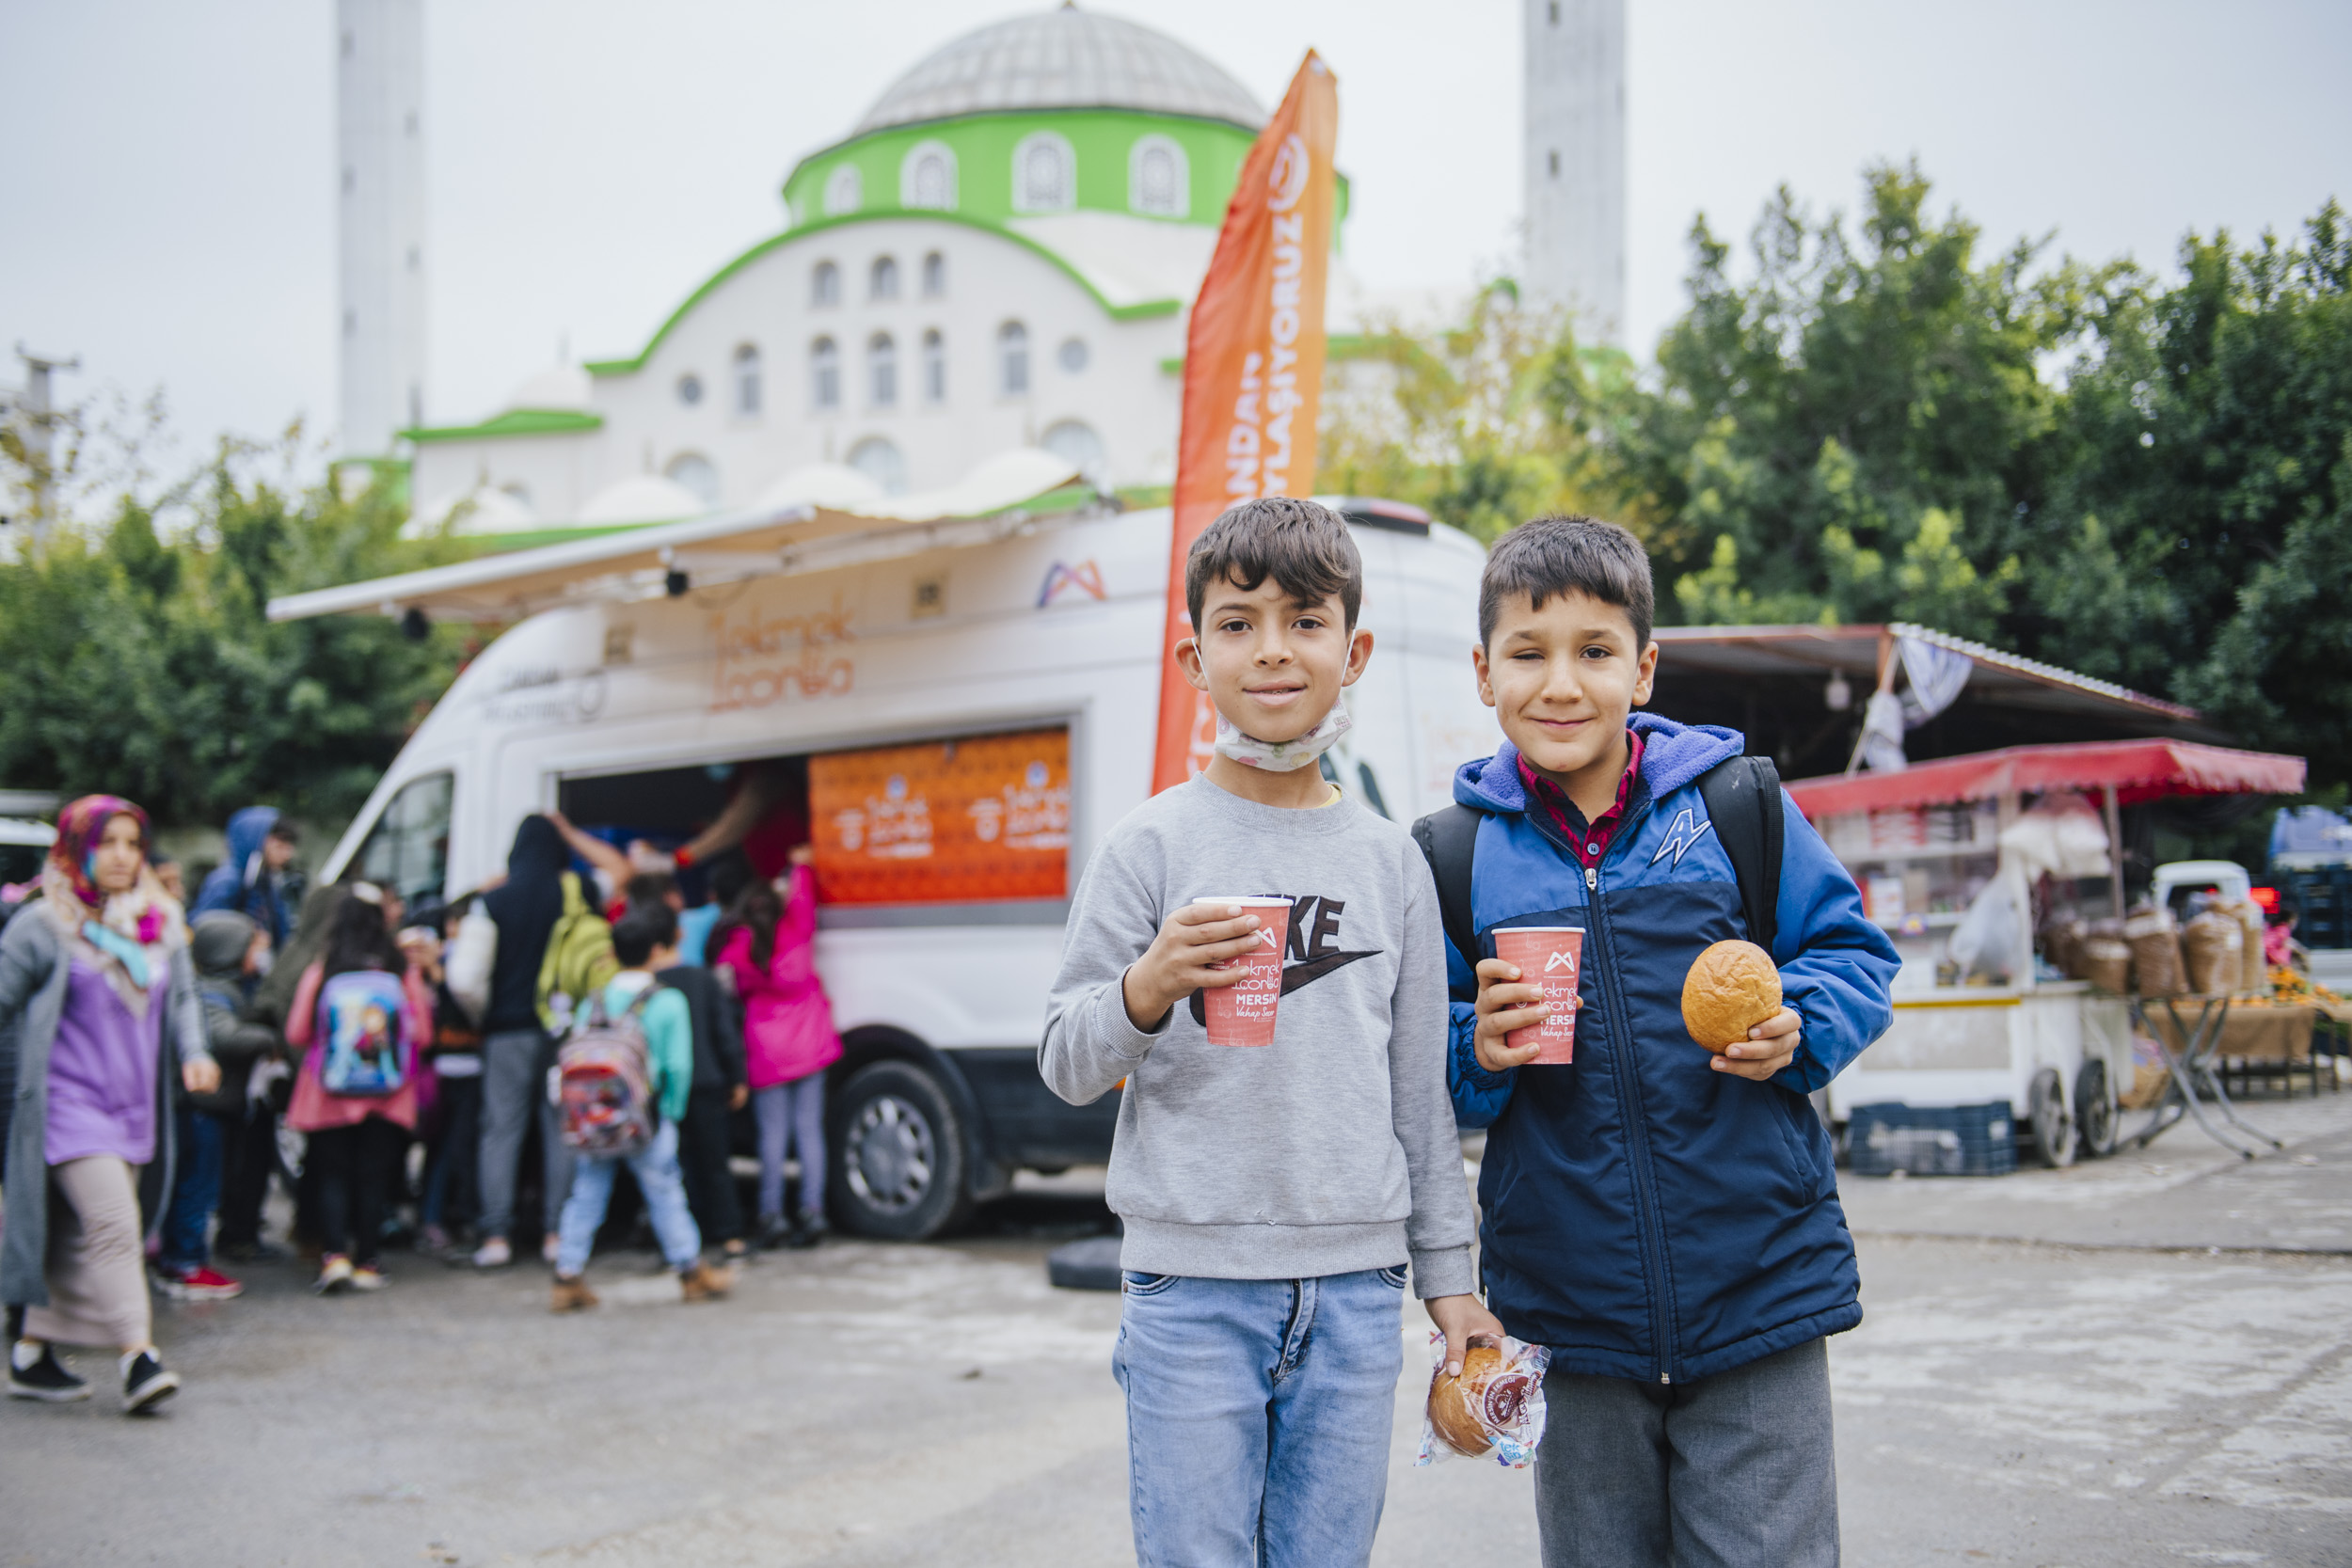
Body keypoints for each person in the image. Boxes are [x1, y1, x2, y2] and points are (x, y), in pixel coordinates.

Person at [1438, 516, 1899, 1568]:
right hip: (1567, 1304)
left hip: (1759, 1285)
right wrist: (1479, 1047)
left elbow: (1852, 954)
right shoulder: (1456, 855)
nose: (1562, 683)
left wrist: (1800, 1023)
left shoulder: (1735, 806)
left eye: (1595, 651)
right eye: (1528, 651)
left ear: (1642, 669)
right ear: (1483, 672)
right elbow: (1424, 1060)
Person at [1039, 498, 1494, 1566]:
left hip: (1354, 1294)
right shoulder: (1148, 847)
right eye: (1238, 624)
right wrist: (1146, 988)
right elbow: (1065, 1060)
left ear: (1354, 648)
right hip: (1188, 1291)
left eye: (1303, 619)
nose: (1273, 650)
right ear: (1195, 656)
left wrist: (1451, 1280)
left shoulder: (1393, 864)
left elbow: (1416, 1098)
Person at [2, 795, 217, 1413]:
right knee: (116, 1225)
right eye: (108, 842)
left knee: (77, 1233)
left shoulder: (159, 919)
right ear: (77, 848)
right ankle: (138, 1356)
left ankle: (31, 1352)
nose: (123, 856)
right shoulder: (44, 924)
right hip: (67, 1105)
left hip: (133, 1107)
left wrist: (195, 1052)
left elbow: (183, 998)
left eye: (132, 842)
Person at [548, 905, 733, 1310]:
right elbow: (678, 1065)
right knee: (665, 1190)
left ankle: (567, 1275)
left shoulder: (594, 1000)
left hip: (595, 1116)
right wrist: (673, 1110)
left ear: (613, 953)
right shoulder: (667, 1002)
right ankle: (690, 1270)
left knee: (587, 1192)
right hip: (644, 1116)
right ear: (656, 950)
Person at [283, 884, 431, 1293]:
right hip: (387, 1092)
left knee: (332, 1174)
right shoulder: (400, 970)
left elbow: (297, 1031)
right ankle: (368, 1260)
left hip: (329, 1092)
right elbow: (421, 1032)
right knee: (373, 1176)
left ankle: (334, 1258)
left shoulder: (324, 969)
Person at [468, 816, 589, 1270]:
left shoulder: (494, 901)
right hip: (565, 1031)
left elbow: (465, 978)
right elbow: (621, 874)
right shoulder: (578, 894)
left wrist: (486, 1014)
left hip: (507, 1031)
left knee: (502, 1130)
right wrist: (574, 834)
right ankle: (557, 1233)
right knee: (561, 1129)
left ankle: (496, 1235)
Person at [715, 846, 839, 1250]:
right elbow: (804, 891)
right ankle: (813, 1210)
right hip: (810, 1044)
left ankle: (771, 1216)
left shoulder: (739, 948)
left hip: (767, 1051)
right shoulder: (797, 927)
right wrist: (800, 864)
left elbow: (726, 985)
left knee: (772, 1137)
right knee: (809, 1132)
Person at [153, 911, 280, 1301]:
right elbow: (224, 1036)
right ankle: (185, 1262)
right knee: (197, 1185)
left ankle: (180, 1255)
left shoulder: (228, 988)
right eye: (252, 947)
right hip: (200, 1107)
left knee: (198, 1183)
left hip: (212, 1107)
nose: (258, 956)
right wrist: (267, 1038)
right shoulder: (212, 992)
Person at [638, 887, 750, 1262]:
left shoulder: (648, 989)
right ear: (678, 935)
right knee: (715, 1162)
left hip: (665, 1088)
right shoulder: (703, 980)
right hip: (707, 1083)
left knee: (675, 1167)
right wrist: (737, 1077)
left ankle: (683, 1237)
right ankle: (731, 1235)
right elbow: (724, 1033)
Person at [414, 895, 484, 1255]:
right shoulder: (445, 964)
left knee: (446, 1147)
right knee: (450, 1147)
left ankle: (440, 1217)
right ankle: (444, 1218)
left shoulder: (450, 963)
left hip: (454, 1066)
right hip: (452, 1067)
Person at [192, 807, 303, 949]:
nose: (288, 855)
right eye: (280, 846)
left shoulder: (264, 882)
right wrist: (248, 938)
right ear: (253, 841)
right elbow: (205, 932)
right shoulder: (228, 881)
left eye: (289, 847)